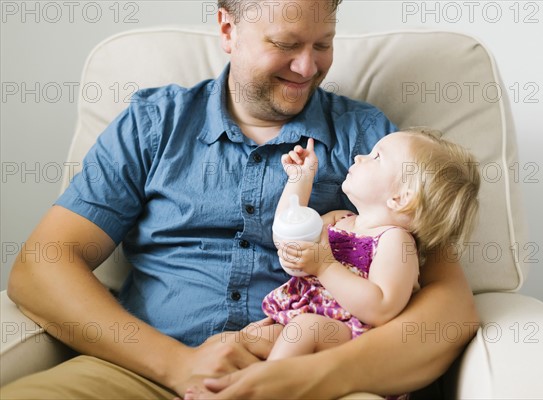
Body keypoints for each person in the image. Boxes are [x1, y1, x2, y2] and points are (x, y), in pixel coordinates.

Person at [1, 1, 479, 399]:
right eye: (286, 44)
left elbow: (449, 308)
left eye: (323, 44)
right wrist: (177, 365)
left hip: (319, 376)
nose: (307, 67)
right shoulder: (154, 124)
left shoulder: (371, 140)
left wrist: (302, 377)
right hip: (144, 372)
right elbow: (41, 269)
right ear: (228, 28)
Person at [182, 130, 480, 399]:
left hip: (349, 337)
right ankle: (209, 390)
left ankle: (263, 389)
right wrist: (301, 180)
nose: (360, 156)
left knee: (307, 328)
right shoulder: (340, 219)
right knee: (242, 340)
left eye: (376, 157)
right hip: (298, 324)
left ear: (400, 198)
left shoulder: (395, 242)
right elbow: (288, 229)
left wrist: (324, 266)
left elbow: (381, 308)